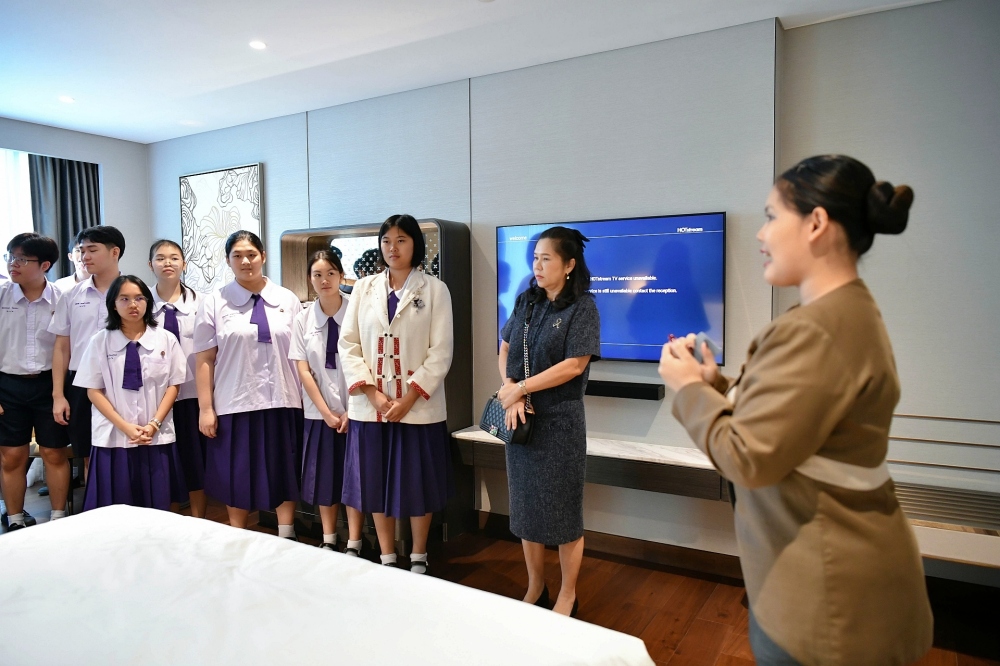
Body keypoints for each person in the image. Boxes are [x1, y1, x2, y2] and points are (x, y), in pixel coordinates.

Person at [658, 154, 933, 666]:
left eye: (770, 216)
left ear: (816, 223)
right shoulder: (845, 311)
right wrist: (716, 384)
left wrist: (687, 388)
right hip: (846, 586)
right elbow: (797, 416)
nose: (761, 234)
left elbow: (748, 458)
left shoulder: (814, 329)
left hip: (828, 603)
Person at [339, 214, 454, 572]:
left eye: (401, 240)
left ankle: (419, 554)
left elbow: (441, 351)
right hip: (371, 407)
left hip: (417, 408)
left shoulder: (435, 289)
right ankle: (387, 555)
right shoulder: (364, 288)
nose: (393, 247)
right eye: (387, 240)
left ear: (415, 244)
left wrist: (409, 397)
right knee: (375, 480)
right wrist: (373, 394)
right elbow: (348, 344)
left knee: (419, 482)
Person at [497, 226, 601, 616]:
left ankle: (568, 594)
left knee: (563, 514)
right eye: (535, 258)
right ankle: (536, 586)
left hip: (560, 425)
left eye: (546, 259)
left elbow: (574, 365)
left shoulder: (583, 308)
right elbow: (505, 347)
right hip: (521, 422)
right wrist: (510, 389)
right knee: (527, 510)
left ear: (569, 265)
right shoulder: (528, 301)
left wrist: (521, 388)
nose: (537, 266)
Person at [194, 230, 304, 536]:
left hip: (284, 397)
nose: (245, 261)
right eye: (237, 256)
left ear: (263, 256)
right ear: (228, 260)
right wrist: (206, 408)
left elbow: (301, 354)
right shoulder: (214, 302)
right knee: (237, 472)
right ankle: (238, 534)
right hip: (235, 400)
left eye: (251, 254)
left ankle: (286, 532)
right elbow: (204, 360)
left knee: (284, 467)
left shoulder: (287, 299)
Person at [74, 275, 188, 511]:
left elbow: (174, 385)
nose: (133, 304)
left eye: (139, 298)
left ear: (148, 302)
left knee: (159, 505)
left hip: (155, 435)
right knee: (115, 508)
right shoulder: (100, 341)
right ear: (113, 305)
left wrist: (154, 424)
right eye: (124, 299)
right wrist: (125, 426)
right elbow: (93, 391)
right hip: (113, 437)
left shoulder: (166, 339)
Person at [289, 250, 364, 552]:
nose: (324, 280)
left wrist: (349, 410)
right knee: (324, 480)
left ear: (341, 276)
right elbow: (303, 370)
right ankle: (329, 539)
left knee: (355, 479)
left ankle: (355, 542)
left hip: (356, 410)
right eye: (317, 274)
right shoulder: (302, 319)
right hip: (319, 413)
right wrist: (327, 413)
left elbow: (365, 363)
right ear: (310, 279)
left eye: (331, 273)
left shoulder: (356, 312)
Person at [0, 234, 70, 529]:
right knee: (11, 455)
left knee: (54, 451)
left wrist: (58, 394)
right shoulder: (2, 295)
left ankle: (59, 518)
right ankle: (15, 519)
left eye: (21, 259)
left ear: (44, 265)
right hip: (7, 384)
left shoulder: (61, 299)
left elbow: (64, 348)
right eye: (10, 256)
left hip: (49, 384)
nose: (12, 264)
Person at [49, 226, 126, 482]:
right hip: (81, 383)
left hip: (125, 380)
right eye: (81, 251)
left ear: (114, 252)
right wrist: (59, 395)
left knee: (128, 447)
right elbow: (61, 347)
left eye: (92, 250)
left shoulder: (135, 293)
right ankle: (97, 502)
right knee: (89, 453)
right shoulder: (70, 295)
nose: (84, 257)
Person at [148, 239, 208, 518]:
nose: (167, 263)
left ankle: (199, 520)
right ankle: (167, 520)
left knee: (195, 461)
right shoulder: (141, 302)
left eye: (174, 258)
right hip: (156, 397)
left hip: (194, 393)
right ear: (150, 265)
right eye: (160, 258)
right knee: (165, 462)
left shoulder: (203, 303)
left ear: (184, 263)